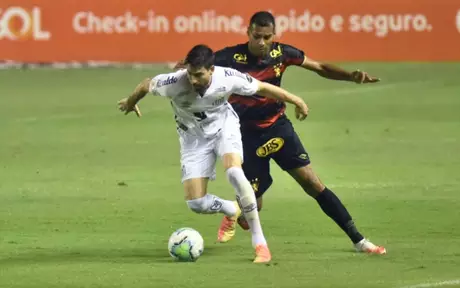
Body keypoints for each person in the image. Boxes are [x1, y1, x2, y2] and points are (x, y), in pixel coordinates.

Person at [207, 11, 386, 254]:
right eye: (256, 36)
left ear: (274, 35)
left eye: (266, 37)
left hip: (278, 128)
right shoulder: (230, 57)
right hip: (245, 136)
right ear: (248, 32)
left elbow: (320, 67)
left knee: (313, 183)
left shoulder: (282, 54)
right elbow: (195, 68)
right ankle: (239, 207)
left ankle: (359, 240)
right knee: (251, 211)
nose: (261, 42)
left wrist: (350, 77)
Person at [118, 44, 310, 263]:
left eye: (198, 75)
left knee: (235, 173)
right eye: (190, 74)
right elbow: (145, 85)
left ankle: (260, 244)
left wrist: (296, 100)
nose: (193, 80)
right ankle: (231, 209)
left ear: (211, 70)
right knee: (196, 203)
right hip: (193, 140)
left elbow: (262, 88)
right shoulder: (174, 82)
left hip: (224, 128)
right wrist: (130, 102)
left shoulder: (227, 77)